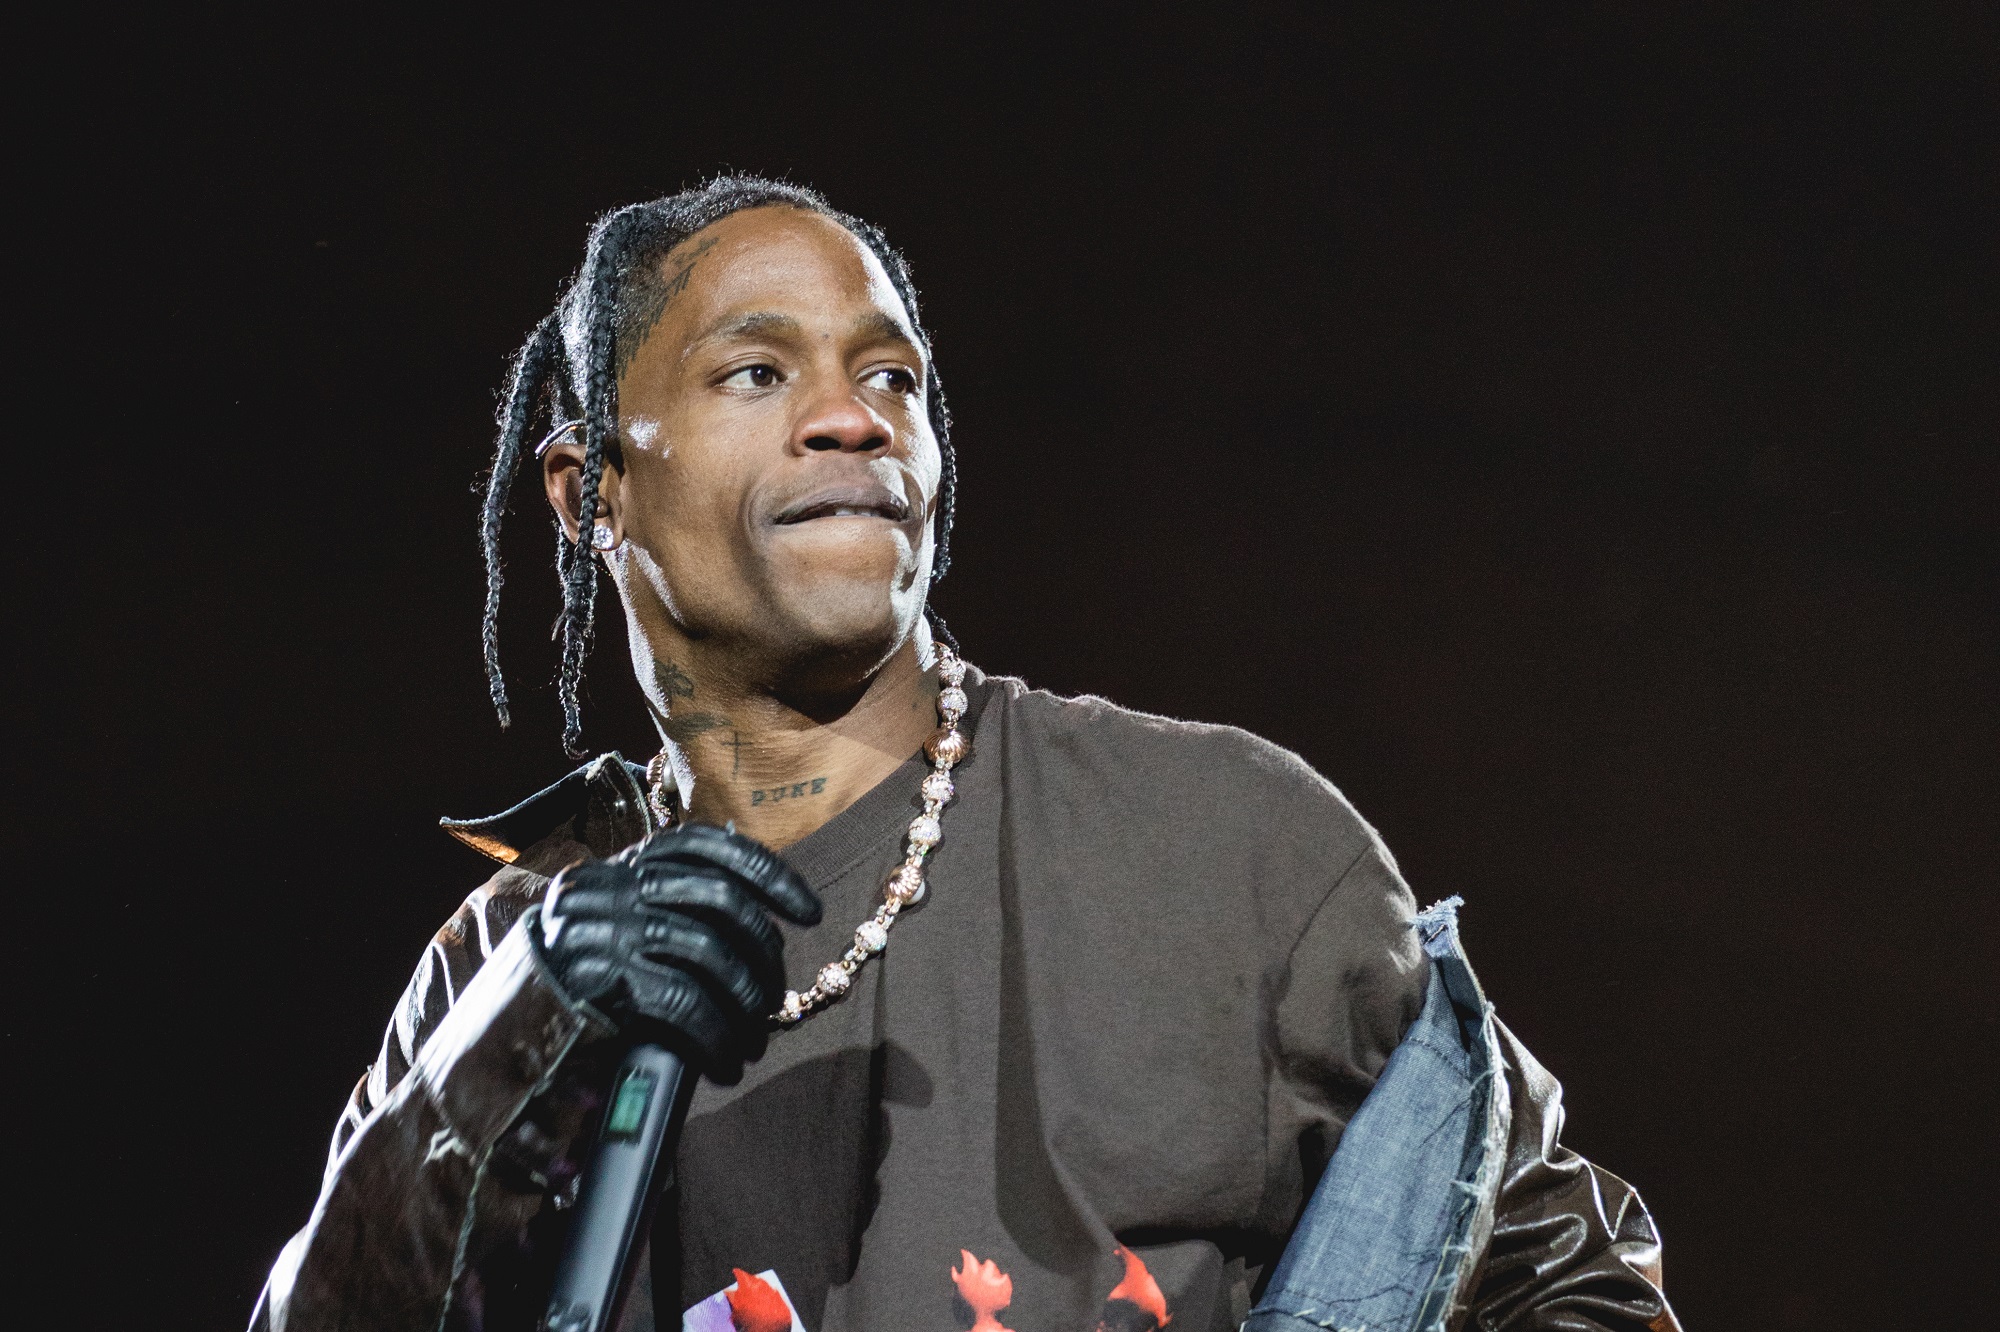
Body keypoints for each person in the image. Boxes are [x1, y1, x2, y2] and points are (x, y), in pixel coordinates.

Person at [250, 177, 1679, 1332]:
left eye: (893, 376)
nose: (852, 417)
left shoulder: (1225, 846)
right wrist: (524, 1030)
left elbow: (1577, 1288)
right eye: (758, 370)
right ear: (592, 490)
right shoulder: (503, 965)